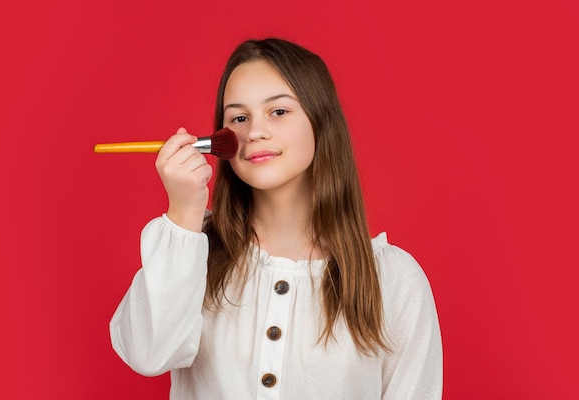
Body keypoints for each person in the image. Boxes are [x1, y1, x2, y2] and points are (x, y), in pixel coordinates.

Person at [110, 38, 443, 399]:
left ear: (321, 121)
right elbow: (147, 354)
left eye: (279, 112)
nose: (254, 132)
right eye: (239, 118)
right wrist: (183, 213)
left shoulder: (393, 280)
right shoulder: (193, 251)